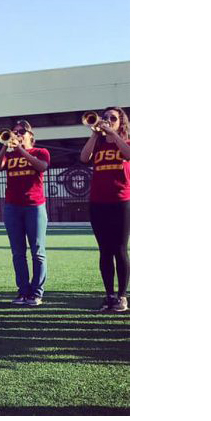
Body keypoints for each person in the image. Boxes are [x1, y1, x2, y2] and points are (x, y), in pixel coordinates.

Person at [0, 119, 50, 306]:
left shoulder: (40, 152)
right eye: (15, 131)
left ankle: (37, 292)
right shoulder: (9, 154)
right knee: (18, 252)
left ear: (30, 136)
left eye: (21, 131)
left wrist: (21, 149)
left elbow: (41, 166)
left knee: (37, 251)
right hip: (12, 207)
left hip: (34, 206)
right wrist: (5, 146)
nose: (17, 134)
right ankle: (23, 291)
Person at [79, 107, 130, 313]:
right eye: (105, 117)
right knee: (105, 251)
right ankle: (109, 295)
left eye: (113, 118)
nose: (107, 120)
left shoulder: (126, 142)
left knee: (120, 249)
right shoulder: (97, 144)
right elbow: (84, 158)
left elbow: (129, 154)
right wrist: (94, 133)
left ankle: (122, 296)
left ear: (121, 123)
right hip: (98, 202)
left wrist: (113, 134)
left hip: (121, 202)